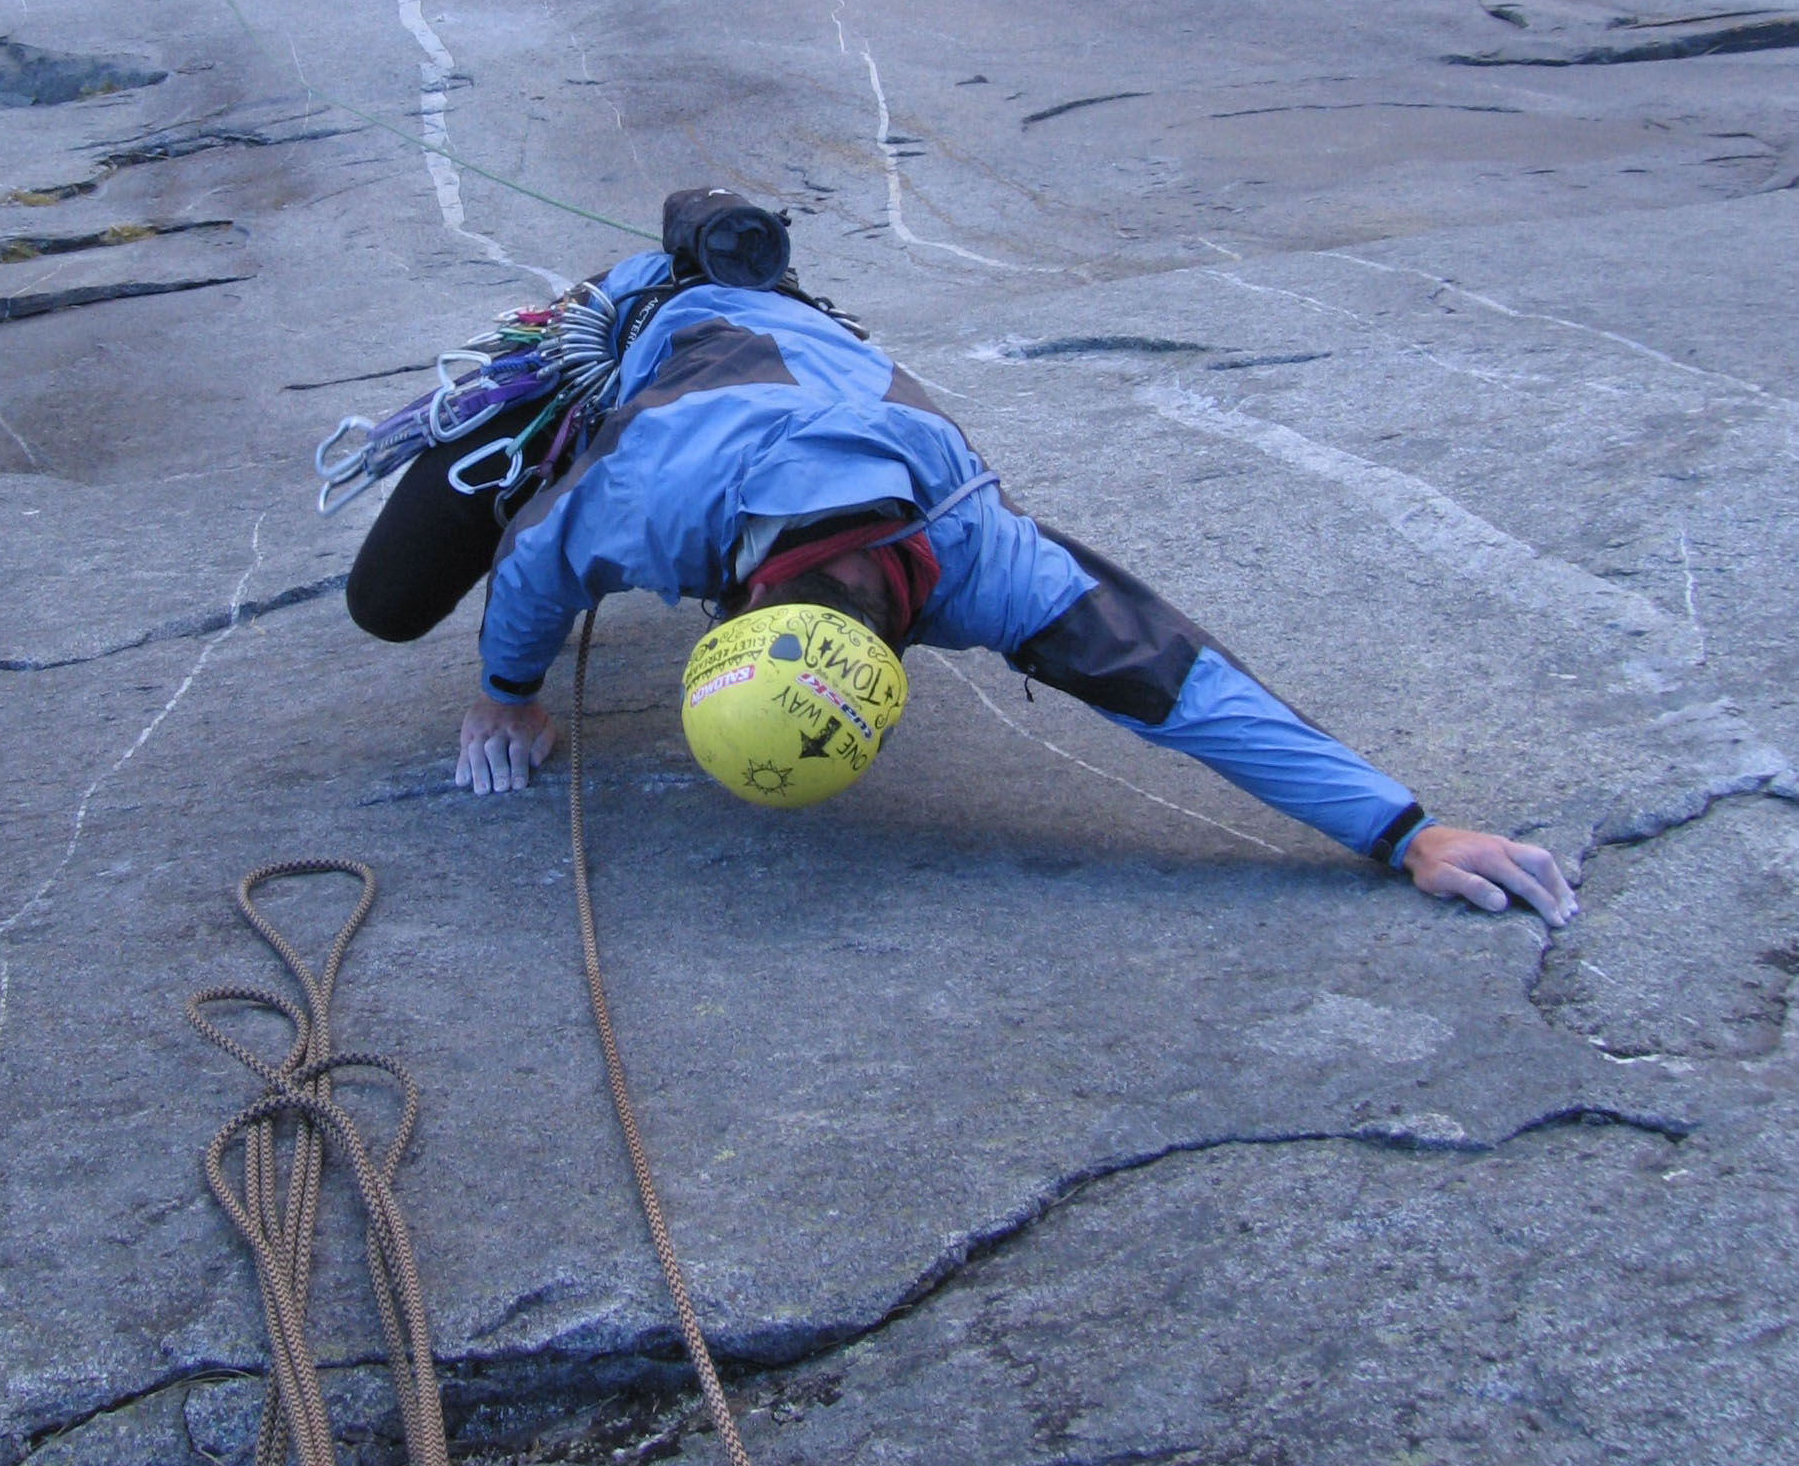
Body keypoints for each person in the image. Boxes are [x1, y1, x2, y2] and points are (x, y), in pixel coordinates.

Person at [344, 191, 1576, 927]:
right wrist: (504, 697)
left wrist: (1405, 831)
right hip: (634, 333)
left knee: (407, 595)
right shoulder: (636, 499)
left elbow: (1188, 689)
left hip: (801, 355)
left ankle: (731, 254)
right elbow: (536, 574)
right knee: (388, 605)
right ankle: (696, 253)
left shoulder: (983, 558)